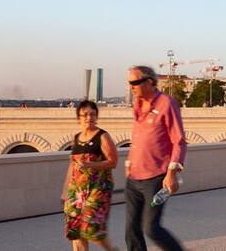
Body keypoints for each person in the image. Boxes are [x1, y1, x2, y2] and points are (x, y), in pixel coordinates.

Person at [125, 66, 186, 251]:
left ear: (149, 82)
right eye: (129, 83)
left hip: (156, 179)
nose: (131, 87)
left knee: (151, 229)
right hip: (134, 178)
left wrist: (171, 174)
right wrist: (129, 163)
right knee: (131, 231)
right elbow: (138, 137)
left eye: (134, 83)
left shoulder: (166, 104)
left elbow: (179, 141)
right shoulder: (137, 104)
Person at [62, 100, 117, 251]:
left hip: (99, 188)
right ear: (78, 118)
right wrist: (65, 191)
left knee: (91, 227)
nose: (89, 118)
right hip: (77, 190)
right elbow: (72, 166)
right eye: (85, 115)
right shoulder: (76, 138)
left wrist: (91, 165)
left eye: (92, 114)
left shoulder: (102, 136)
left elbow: (113, 162)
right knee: (75, 228)